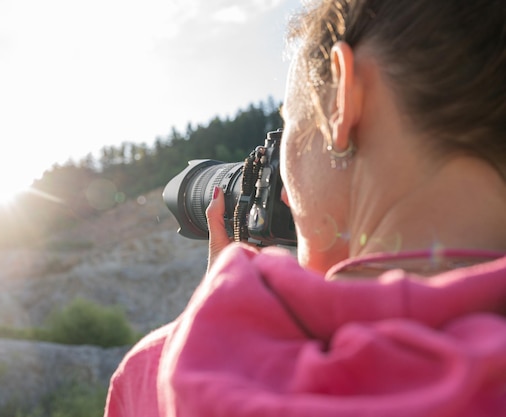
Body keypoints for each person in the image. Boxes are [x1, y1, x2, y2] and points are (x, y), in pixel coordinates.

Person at [105, 0, 506, 415]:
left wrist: (222, 320)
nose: (283, 191)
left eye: (288, 129)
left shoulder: (164, 378)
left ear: (344, 100)